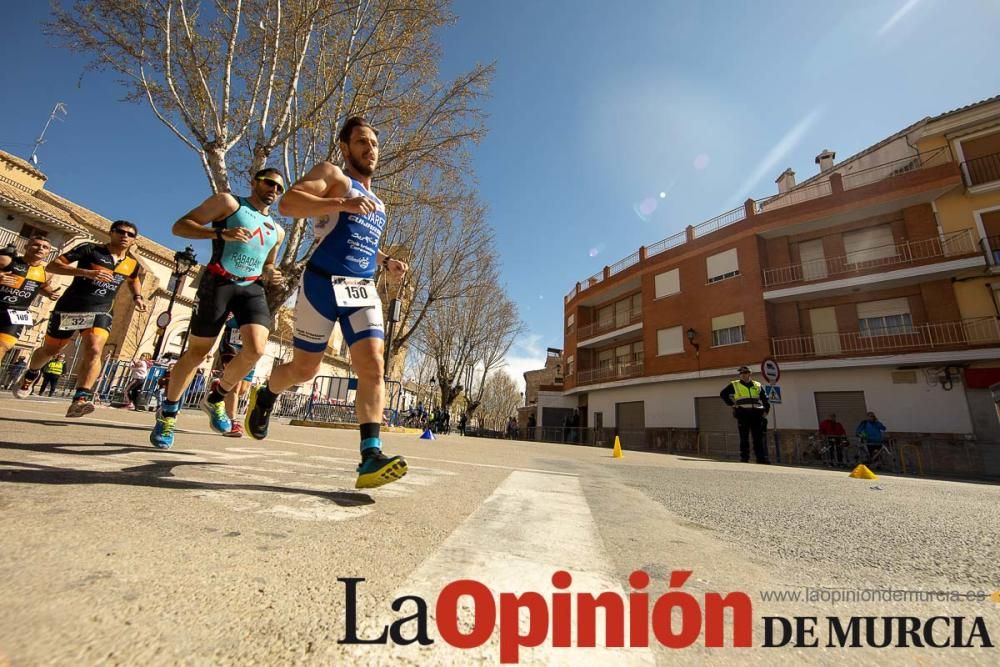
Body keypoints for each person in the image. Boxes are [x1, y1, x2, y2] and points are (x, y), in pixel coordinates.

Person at [243, 116, 408, 490]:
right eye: (362, 141)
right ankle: (266, 394)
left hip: (361, 288)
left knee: (373, 365)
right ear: (345, 147)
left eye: (375, 144)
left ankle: (370, 455)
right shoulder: (333, 175)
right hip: (320, 284)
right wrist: (340, 202)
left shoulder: (379, 204)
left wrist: (385, 261)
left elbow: (356, 237)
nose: (370, 149)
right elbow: (289, 202)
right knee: (305, 370)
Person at [148, 169, 285, 449]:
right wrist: (221, 233)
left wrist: (272, 273)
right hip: (218, 281)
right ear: (254, 182)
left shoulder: (278, 230)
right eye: (269, 182)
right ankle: (168, 412)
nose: (274, 189)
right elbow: (180, 226)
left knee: (257, 350)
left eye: (279, 188)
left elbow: (268, 263)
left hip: (252, 288)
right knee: (198, 352)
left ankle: (216, 397)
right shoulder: (229, 203)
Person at [14, 221, 146, 417]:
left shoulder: (132, 263)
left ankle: (81, 398)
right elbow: (54, 265)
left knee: (94, 348)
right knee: (52, 349)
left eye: (130, 234)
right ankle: (32, 373)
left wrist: (137, 296)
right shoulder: (90, 249)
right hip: (71, 307)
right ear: (111, 233)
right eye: (120, 232)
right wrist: (86, 272)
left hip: (101, 310)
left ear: (134, 240)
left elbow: (134, 279)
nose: (125, 236)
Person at [0, 236, 59, 367]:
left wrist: (50, 293)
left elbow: (41, 287)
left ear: (48, 253)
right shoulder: (6, 260)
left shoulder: (46, 273)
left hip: (17, 313)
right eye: (36, 245)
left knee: (4, 345)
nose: (40, 248)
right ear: (26, 247)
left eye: (45, 247)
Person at [719, 365, 771, 464]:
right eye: (741, 373)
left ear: (749, 374)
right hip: (743, 414)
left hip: (756, 414)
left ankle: (761, 459)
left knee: (758, 438)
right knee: (744, 437)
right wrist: (732, 404)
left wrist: (766, 411)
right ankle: (744, 458)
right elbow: (723, 394)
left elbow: (765, 399)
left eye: (745, 373)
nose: (742, 375)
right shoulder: (735, 384)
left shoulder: (757, 385)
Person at [216, 314, 257, 438]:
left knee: (243, 389)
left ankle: (216, 394)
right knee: (235, 384)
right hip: (232, 340)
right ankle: (233, 423)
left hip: (252, 342)